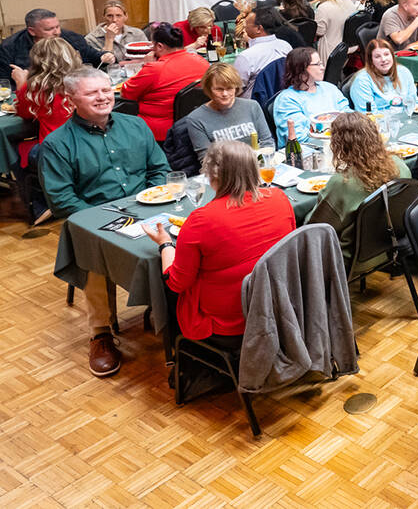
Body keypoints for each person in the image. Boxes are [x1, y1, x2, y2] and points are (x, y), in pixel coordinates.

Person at [40, 67, 169, 376]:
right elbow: (62, 199)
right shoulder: (57, 144)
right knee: (94, 256)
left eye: (106, 89)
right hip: (95, 220)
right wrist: (106, 226)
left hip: (148, 209)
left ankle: (175, 315)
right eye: (91, 92)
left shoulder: (136, 126)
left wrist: (152, 203)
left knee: (190, 235)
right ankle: (100, 333)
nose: (102, 97)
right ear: (71, 99)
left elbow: (159, 169)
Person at [143, 140, 295, 343]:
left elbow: (178, 283)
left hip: (229, 319)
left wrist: (165, 245)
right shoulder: (279, 197)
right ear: (254, 169)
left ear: (212, 176)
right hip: (276, 304)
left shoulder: (200, 220)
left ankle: (176, 356)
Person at [305, 112, 411, 268]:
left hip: (350, 259)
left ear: (338, 144)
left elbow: (314, 228)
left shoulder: (342, 183)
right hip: (388, 246)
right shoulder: (399, 165)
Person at [13, 37, 79, 197]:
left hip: (56, 150)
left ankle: (39, 202)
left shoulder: (35, 88)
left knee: (14, 150)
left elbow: (24, 113)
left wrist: (21, 84)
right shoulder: (84, 82)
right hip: (87, 145)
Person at [118, 23, 209, 140]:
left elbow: (125, 94)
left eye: (153, 45)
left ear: (159, 46)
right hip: (195, 123)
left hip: (159, 131)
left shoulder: (154, 69)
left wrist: (145, 65)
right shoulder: (202, 61)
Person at [184, 63, 271, 161]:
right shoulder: (196, 119)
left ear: (236, 88)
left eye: (229, 88)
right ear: (209, 89)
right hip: (224, 172)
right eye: (219, 89)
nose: (225, 94)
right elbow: (206, 160)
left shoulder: (252, 106)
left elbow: (267, 143)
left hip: (256, 166)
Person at [1, 8, 111, 81]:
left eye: (57, 26)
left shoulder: (71, 37)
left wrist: (104, 56)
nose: (57, 32)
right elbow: (4, 83)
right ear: (31, 31)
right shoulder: (9, 47)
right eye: (49, 29)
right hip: (31, 93)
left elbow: (92, 56)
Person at [272, 47, 349, 147]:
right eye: (317, 64)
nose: (323, 67)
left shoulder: (329, 88)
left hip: (340, 146)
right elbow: (300, 139)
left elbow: (348, 115)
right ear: (301, 69)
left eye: (321, 63)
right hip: (306, 155)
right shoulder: (287, 100)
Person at [232, 7, 291, 97]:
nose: (244, 27)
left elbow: (234, 89)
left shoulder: (246, 56)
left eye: (247, 24)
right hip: (283, 98)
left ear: (259, 28)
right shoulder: (285, 46)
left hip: (253, 106)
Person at [350, 39, 418, 112]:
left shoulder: (404, 72)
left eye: (386, 54)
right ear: (371, 61)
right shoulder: (362, 81)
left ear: (392, 55)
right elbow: (368, 115)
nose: (383, 59)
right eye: (377, 57)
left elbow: (414, 102)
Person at [312, 0, 358, 64]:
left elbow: (320, 31)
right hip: (349, 46)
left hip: (331, 48)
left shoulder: (323, 7)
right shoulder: (348, 1)